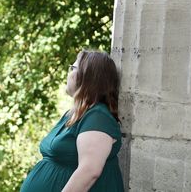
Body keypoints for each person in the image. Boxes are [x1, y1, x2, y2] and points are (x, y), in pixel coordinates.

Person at [20, 50, 124, 192]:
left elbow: (89, 171)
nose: (68, 73)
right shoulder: (77, 114)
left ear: (87, 77)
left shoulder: (98, 118)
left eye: (72, 68)